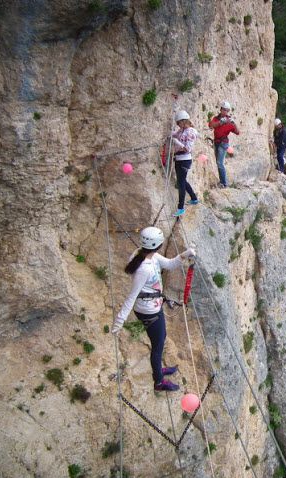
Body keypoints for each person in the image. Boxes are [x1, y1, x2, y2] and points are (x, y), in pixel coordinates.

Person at [111, 227, 195, 392]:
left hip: (152, 307)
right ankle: (158, 382)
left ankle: (158, 369)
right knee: (157, 346)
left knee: (161, 338)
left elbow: (170, 264)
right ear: (158, 245)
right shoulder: (145, 268)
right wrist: (120, 320)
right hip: (149, 311)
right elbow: (132, 296)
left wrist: (185, 254)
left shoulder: (146, 255)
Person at [171, 110, 199, 217]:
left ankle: (181, 208)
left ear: (184, 121)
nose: (178, 125)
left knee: (181, 183)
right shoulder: (182, 130)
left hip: (185, 159)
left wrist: (177, 142)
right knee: (182, 181)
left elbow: (187, 148)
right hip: (179, 159)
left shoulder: (190, 132)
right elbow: (175, 134)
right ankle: (194, 198)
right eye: (177, 123)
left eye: (179, 123)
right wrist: (171, 134)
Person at [208, 101, 240, 187]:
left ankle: (224, 183)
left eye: (227, 110)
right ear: (221, 109)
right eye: (224, 109)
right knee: (218, 162)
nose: (225, 111)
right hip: (217, 142)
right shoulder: (216, 118)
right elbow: (211, 126)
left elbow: (237, 132)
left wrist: (234, 123)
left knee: (219, 163)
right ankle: (222, 182)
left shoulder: (229, 121)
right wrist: (220, 122)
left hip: (223, 143)